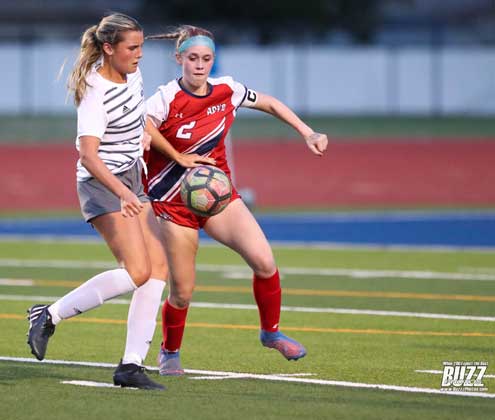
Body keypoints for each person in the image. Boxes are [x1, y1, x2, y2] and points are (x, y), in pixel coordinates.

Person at [24, 13, 205, 391]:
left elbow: (137, 118)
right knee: (137, 270)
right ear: (109, 49)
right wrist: (123, 193)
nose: (139, 55)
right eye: (132, 48)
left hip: (130, 178)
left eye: (140, 46)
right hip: (101, 183)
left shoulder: (131, 74)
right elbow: (88, 155)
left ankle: (130, 366)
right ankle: (49, 315)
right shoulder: (94, 90)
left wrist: (162, 150)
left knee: (157, 269)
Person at [143, 25, 328, 376]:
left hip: (217, 196)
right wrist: (179, 158)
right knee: (182, 292)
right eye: (193, 58)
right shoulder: (165, 97)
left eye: (206, 59)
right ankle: (169, 352)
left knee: (264, 260)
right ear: (179, 58)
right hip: (173, 202)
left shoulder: (228, 89)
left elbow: (270, 103)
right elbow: (145, 126)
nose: (200, 66)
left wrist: (308, 131)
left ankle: (270, 333)